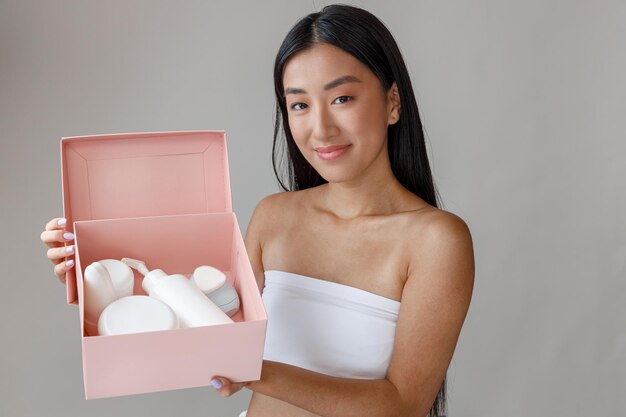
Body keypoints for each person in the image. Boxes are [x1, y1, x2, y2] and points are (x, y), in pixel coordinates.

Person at [40, 5, 474, 417]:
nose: (320, 128)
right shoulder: (274, 217)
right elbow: (200, 327)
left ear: (392, 101)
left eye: (342, 98)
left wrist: (254, 369)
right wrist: (97, 290)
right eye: (299, 104)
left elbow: (403, 405)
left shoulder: (436, 241)